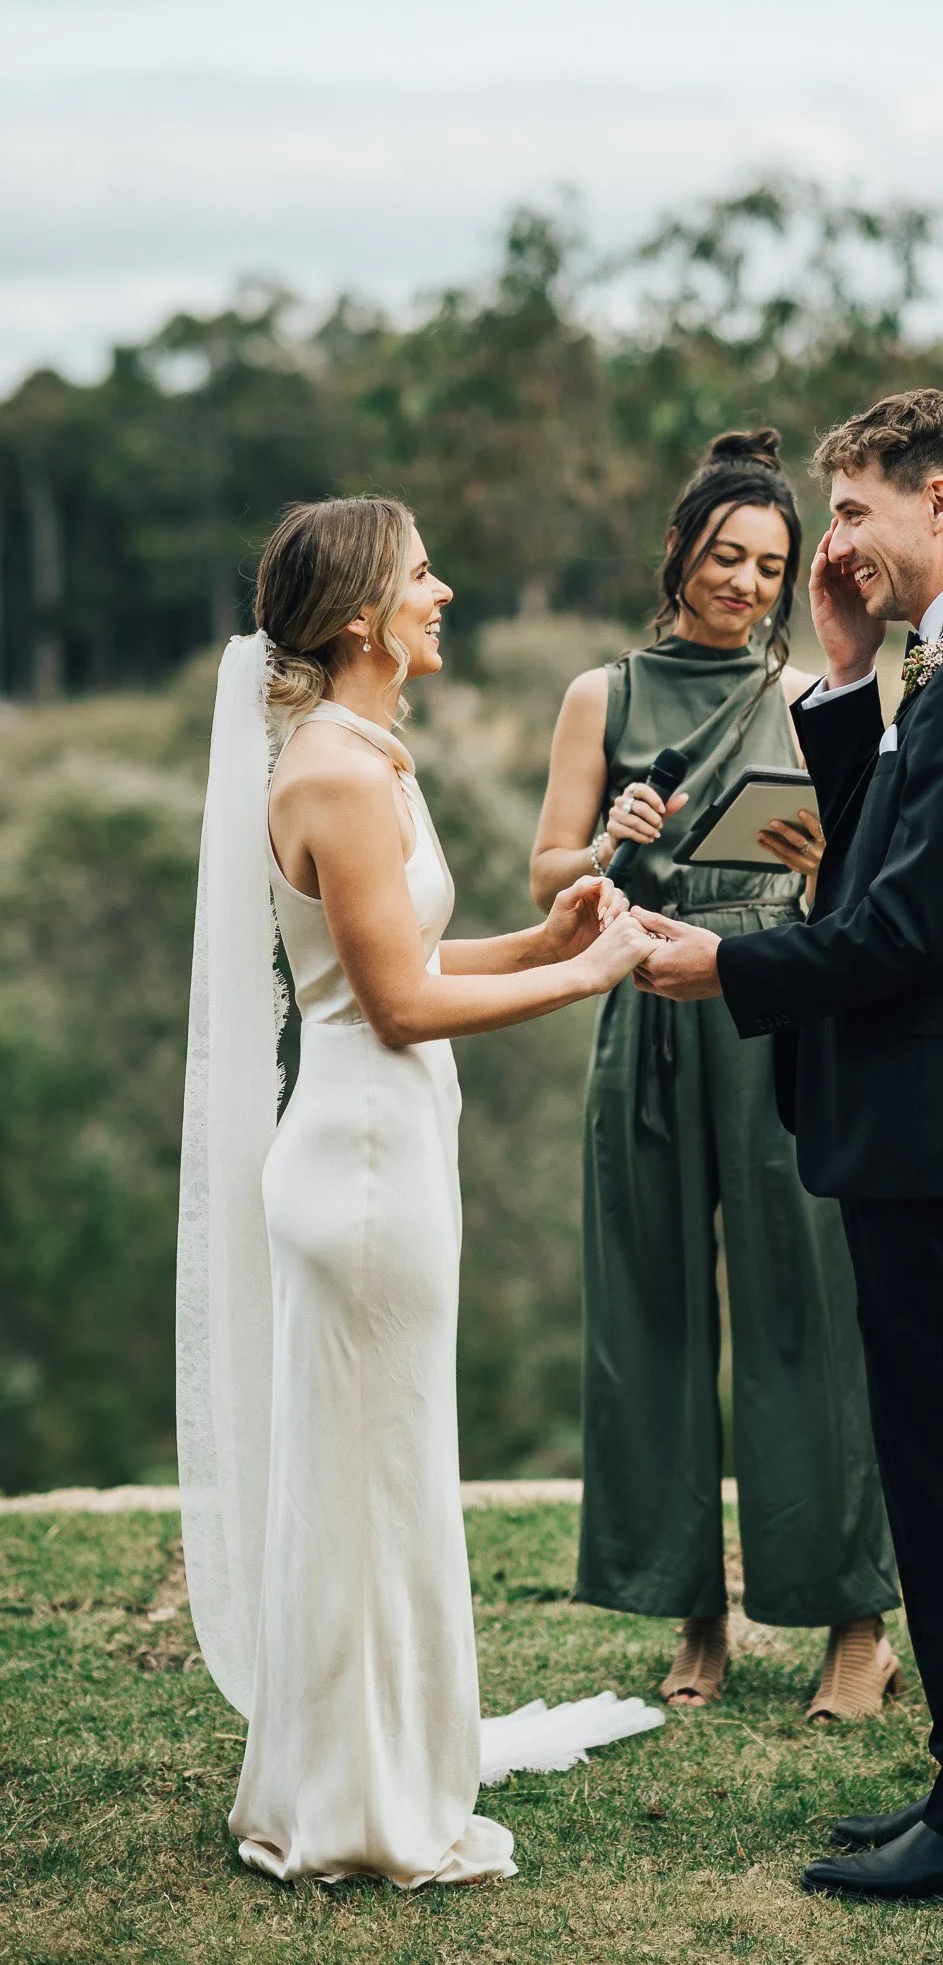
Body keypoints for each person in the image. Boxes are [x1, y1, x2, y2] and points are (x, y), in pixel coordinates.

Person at [633, 389, 943, 1904]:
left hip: (938, 1130)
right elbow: (875, 854)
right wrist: (841, 685)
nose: (831, 542)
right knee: (937, 1458)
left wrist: (725, 971)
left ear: (939, 501)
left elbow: (893, 930)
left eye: (851, 512)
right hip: (930, 1127)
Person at [176, 496, 664, 1888]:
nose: (442, 592)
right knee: (369, 1480)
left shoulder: (368, 760)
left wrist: (547, 928)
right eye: (420, 576)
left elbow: (407, 956)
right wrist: (587, 977)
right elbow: (391, 1004)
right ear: (356, 620)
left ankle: (372, 1764)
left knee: (385, 1474)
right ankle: (356, 1801)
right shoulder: (331, 771)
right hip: (362, 1162)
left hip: (389, 1146)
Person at [530, 429, 899, 1719]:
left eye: (771, 564)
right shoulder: (602, 694)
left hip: (767, 1007)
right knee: (653, 1307)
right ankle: (696, 1615)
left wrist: (798, 868)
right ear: (680, 549)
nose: (744, 582)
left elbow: (850, 878)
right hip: (644, 1009)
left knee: (806, 1307)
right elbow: (545, 881)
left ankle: (857, 1621)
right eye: (726, 555)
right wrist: (609, 840)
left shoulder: (810, 698)